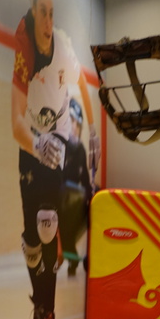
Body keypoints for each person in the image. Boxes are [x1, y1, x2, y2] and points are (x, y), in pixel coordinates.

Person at [10, 0, 99, 319]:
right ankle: (40, 306)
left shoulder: (63, 45)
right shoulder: (23, 48)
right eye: (41, 12)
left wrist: (92, 134)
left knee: (48, 229)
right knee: (32, 245)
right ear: (32, 12)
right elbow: (15, 123)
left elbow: (82, 86)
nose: (48, 20)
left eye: (52, 12)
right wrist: (35, 144)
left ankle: (45, 317)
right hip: (31, 148)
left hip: (58, 147)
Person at [59, 98, 94, 276]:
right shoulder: (59, 146)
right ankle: (70, 258)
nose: (74, 128)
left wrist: (92, 196)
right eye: (70, 122)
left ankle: (85, 255)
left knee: (95, 194)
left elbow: (85, 180)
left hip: (74, 203)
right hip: (60, 203)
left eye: (77, 124)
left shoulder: (80, 149)